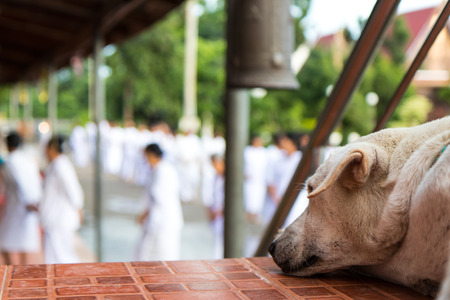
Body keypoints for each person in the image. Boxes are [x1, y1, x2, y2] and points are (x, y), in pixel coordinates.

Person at [135, 143, 184, 261]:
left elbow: (158, 197)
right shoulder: (164, 168)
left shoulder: (162, 171)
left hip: (163, 219)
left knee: (160, 256)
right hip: (162, 218)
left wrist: (144, 214)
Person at [40, 136, 84, 264]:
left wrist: (79, 209)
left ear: (52, 148)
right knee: (54, 258)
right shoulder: (56, 164)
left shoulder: (61, 165)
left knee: (63, 257)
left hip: (60, 220)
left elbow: (73, 190)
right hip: (54, 219)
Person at [0, 132, 42, 265]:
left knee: (6, 241)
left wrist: (28, 201)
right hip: (25, 204)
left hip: (20, 205)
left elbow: (21, 183)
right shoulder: (27, 159)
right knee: (23, 241)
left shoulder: (12, 161)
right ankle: (20, 270)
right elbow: (36, 180)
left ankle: (12, 269)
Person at [243, 135, 269, 223]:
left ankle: (256, 214)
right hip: (250, 180)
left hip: (260, 179)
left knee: (259, 197)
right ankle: (249, 214)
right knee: (249, 196)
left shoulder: (264, 152)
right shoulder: (248, 151)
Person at [207, 154, 225, 259]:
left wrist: (219, 211)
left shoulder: (228, 179)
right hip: (216, 214)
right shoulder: (216, 177)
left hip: (223, 215)